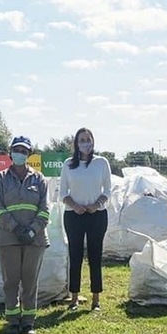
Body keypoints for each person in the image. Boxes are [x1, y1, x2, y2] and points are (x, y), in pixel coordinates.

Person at [0, 136, 50, 334]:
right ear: (10, 153)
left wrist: (32, 230)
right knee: (11, 281)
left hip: (34, 239)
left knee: (30, 281)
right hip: (8, 238)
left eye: (24, 151)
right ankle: (13, 321)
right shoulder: (0, 179)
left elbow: (44, 210)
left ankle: (28, 322)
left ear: (29, 154)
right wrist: (15, 229)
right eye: (17, 150)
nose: (20, 154)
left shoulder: (39, 179)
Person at [59, 127, 113, 311]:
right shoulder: (68, 164)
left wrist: (96, 204)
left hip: (96, 215)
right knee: (75, 256)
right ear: (76, 143)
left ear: (93, 141)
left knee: (95, 256)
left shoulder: (101, 162)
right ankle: (74, 298)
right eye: (82, 140)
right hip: (74, 216)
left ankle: (96, 299)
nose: (85, 144)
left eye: (88, 139)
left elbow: (107, 190)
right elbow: (62, 192)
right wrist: (74, 206)